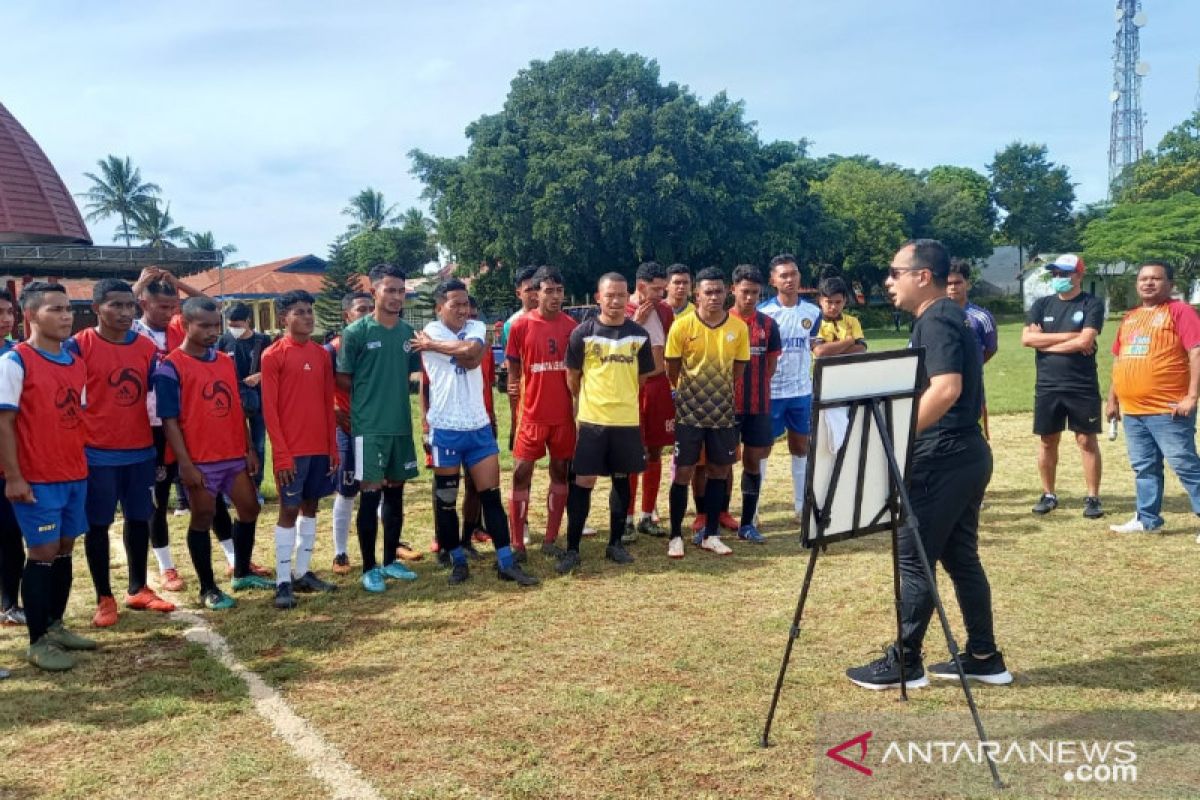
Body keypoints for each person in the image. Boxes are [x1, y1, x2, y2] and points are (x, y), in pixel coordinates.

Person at [846, 239, 1011, 690]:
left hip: (943, 456)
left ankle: (906, 661)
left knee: (914, 558)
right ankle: (983, 656)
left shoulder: (936, 319)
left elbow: (946, 389)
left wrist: (896, 438)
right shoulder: (946, 317)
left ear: (922, 276)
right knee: (960, 557)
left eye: (895, 272)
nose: (888, 281)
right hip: (966, 454)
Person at [412, 279, 538, 586]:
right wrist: (441, 345)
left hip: (478, 426)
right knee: (446, 499)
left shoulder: (475, 327)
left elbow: (472, 356)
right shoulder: (430, 330)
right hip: (445, 428)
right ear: (439, 306)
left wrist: (433, 348)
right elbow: (467, 354)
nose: (463, 310)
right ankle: (457, 560)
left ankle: (505, 562)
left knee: (491, 498)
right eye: (455, 304)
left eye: (466, 304)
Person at [0, 282, 95, 670]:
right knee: (40, 552)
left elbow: (75, 418)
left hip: (74, 474)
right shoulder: (14, 361)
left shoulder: (76, 362)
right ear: (31, 315)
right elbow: (4, 424)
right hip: (36, 478)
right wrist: (15, 477)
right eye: (55, 309)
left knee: (65, 548)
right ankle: (37, 640)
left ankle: (56, 625)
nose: (66, 316)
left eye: (68, 308)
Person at [69, 279, 175, 628]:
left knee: (140, 518)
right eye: (116, 305)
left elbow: (156, 397)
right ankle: (104, 597)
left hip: (140, 450)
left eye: (130, 305)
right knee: (98, 525)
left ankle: (138, 587)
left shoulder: (145, 348)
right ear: (97, 308)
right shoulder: (79, 346)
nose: (125, 312)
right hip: (97, 453)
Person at [154, 297, 270, 611]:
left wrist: (248, 448)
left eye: (214, 325)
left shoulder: (223, 360)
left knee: (249, 510)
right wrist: (186, 465)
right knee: (202, 518)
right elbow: (170, 422)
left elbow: (236, 408)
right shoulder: (170, 367)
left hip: (233, 455)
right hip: (200, 460)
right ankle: (207, 588)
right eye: (203, 325)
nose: (210, 331)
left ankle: (242, 572)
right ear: (185, 324)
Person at [556, 273, 654, 573]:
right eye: (609, 295)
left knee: (622, 480)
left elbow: (643, 377)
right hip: (592, 421)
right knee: (583, 481)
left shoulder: (639, 335)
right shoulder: (582, 333)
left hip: (626, 421)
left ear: (629, 298)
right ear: (598, 297)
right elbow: (572, 378)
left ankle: (615, 544)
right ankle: (572, 548)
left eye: (621, 295)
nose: (615, 301)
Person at [336, 263, 421, 592]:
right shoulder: (356, 333)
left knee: (396, 494)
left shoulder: (408, 334)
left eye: (401, 291)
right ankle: (369, 567)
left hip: (400, 424)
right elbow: (343, 378)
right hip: (369, 427)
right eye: (390, 290)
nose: (397, 297)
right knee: (369, 495)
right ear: (374, 292)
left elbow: (412, 375)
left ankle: (391, 560)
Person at [1106, 261, 1200, 539]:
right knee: (1144, 466)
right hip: (1133, 410)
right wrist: (1112, 399)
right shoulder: (1131, 316)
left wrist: (1192, 395)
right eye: (1143, 279)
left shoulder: (1180, 311)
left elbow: (1196, 353)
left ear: (1170, 284)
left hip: (1168, 409)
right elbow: (1119, 359)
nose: (1148, 283)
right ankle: (1147, 518)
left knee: (1184, 464)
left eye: (1156, 279)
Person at [260, 290, 339, 609]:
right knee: (288, 511)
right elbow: (270, 410)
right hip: (291, 451)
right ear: (283, 318)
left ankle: (303, 572)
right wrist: (281, 453)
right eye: (299, 312)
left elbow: (326, 401)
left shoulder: (321, 354)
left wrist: (333, 447)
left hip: (319, 447)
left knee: (311, 507)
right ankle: (282, 580)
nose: (307, 316)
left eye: (309, 311)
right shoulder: (273, 355)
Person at [665, 267, 750, 558]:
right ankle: (675, 535)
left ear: (727, 292)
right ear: (696, 294)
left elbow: (738, 370)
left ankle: (711, 534)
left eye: (718, 291)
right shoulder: (682, 326)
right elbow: (672, 369)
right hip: (688, 413)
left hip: (723, 413)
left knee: (719, 471)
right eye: (707, 292)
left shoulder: (738, 328)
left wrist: (717, 394)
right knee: (684, 472)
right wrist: (691, 394)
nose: (713, 297)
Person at [1021, 254, 1105, 519]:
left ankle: (1093, 497)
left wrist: (1045, 341)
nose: (1060, 278)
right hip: (1047, 385)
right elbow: (1026, 339)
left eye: (1065, 273)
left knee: (1086, 440)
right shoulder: (1041, 305)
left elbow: (1086, 342)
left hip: (1082, 385)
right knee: (1048, 441)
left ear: (1079, 275)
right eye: (1055, 273)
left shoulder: (1092, 304)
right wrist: (1072, 337)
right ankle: (1048, 494)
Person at [132, 269, 199, 593]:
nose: (171, 312)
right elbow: (109, 306)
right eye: (162, 306)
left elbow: (207, 304)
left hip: (183, 422)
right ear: (143, 302)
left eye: (174, 306)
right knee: (156, 500)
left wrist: (177, 284)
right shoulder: (132, 330)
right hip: (149, 428)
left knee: (203, 489)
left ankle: (233, 557)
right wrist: (140, 283)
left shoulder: (178, 328)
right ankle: (166, 566)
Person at [506, 266, 576, 559]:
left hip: (563, 417)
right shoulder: (521, 326)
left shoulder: (572, 326)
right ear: (535, 294)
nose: (555, 296)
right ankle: (517, 543)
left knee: (560, 472)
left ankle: (550, 538)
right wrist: (514, 414)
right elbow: (513, 369)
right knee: (521, 473)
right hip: (531, 416)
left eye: (559, 291)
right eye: (549, 291)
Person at [759, 254, 822, 520]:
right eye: (783, 275)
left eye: (793, 274)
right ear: (773, 280)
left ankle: (800, 506)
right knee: (761, 448)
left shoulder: (813, 312)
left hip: (801, 391)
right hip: (772, 392)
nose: (789, 279)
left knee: (801, 446)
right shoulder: (764, 313)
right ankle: (754, 509)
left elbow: (814, 345)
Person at [729, 265, 781, 543]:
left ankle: (747, 523)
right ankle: (716, 519)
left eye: (755, 293)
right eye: (745, 291)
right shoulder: (723, 322)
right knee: (721, 464)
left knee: (753, 461)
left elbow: (771, 365)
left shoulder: (769, 325)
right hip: (725, 405)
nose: (749, 298)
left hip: (758, 405)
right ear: (733, 289)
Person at [623, 262, 675, 540]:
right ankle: (627, 518)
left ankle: (647, 515)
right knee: (633, 452)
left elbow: (672, 347)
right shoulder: (623, 310)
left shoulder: (665, 311)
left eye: (662, 288)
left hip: (658, 386)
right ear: (640, 286)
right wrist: (636, 325)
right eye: (656, 289)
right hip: (632, 387)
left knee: (655, 450)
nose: (660, 293)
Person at [325, 291, 374, 575]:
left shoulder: (379, 344)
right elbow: (318, 386)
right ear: (347, 315)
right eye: (360, 309)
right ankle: (340, 553)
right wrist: (333, 410)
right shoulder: (333, 349)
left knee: (376, 486)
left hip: (375, 427)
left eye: (371, 308)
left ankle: (390, 543)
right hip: (346, 428)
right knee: (346, 491)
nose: (367, 314)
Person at [217, 303, 271, 493]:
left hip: (258, 399)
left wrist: (259, 376)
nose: (235, 329)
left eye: (238, 325)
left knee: (258, 445)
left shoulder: (263, 340)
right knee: (232, 445)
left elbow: (275, 369)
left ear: (248, 321)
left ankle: (256, 486)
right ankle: (232, 487)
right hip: (231, 399)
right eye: (231, 325)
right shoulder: (224, 341)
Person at [946, 262, 998, 439]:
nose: (953, 287)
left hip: (972, 386)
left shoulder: (981, 317)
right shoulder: (932, 316)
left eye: (957, 282)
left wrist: (971, 367)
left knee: (977, 435)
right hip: (939, 384)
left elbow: (990, 348)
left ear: (967, 283)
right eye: (948, 283)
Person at [0, 290, 25, 629]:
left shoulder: (16, 355)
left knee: (10, 535)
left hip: (9, 463)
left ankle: (9, 603)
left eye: (9, 311)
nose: (6, 317)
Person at [501, 266, 540, 455]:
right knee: (524, 451)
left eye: (537, 288)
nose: (534, 294)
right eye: (528, 289)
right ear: (519, 293)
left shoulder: (557, 319)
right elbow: (512, 367)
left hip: (551, 391)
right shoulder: (512, 325)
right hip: (526, 393)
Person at [812, 276, 867, 358]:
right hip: (824, 369)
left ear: (844, 300)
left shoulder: (852, 321)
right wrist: (848, 342)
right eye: (829, 302)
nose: (834, 307)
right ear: (820, 300)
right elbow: (820, 352)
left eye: (838, 302)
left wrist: (831, 350)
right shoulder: (814, 323)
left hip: (850, 368)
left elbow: (861, 349)